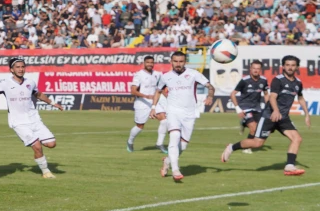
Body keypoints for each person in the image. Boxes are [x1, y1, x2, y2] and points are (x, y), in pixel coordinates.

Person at [220, 55, 311, 176]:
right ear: (283, 66)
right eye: (287, 65)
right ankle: (232, 147)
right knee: (257, 143)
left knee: (297, 138)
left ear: (297, 67)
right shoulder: (278, 80)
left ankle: (289, 166)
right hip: (270, 116)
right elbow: (272, 96)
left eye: (293, 65)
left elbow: (300, 98)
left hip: (283, 117)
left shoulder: (298, 83)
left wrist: (307, 114)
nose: (290, 67)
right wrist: (276, 110)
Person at [0, 57, 63, 179]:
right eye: (17, 67)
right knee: (37, 146)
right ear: (11, 70)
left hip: (34, 119)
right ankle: (46, 172)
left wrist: (52, 103)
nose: (21, 69)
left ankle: (36, 148)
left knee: (51, 144)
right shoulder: (5, 84)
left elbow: (39, 94)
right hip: (18, 122)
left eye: (22, 67)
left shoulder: (30, 83)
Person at [150, 51, 214, 181]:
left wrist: (210, 96)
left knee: (183, 146)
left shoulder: (193, 74)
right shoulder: (165, 76)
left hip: (190, 114)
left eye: (181, 61)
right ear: (171, 62)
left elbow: (210, 86)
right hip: (173, 112)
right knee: (174, 137)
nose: (178, 64)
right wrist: (153, 107)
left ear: (185, 62)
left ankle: (167, 161)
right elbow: (158, 91)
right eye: (175, 61)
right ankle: (175, 170)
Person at [127, 55, 169, 154]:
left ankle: (159, 143)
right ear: (144, 63)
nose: (150, 64)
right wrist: (146, 96)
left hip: (154, 101)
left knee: (164, 119)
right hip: (142, 103)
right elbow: (133, 91)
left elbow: (160, 89)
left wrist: (168, 98)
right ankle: (130, 141)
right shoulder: (139, 75)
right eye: (148, 62)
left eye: (151, 62)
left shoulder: (158, 74)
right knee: (140, 126)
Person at [230, 61, 269, 154]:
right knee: (254, 128)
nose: (256, 70)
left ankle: (243, 124)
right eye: (254, 68)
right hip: (245, 107)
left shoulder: (263, 80)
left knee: (259, 128)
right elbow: (232, 94)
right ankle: (246, 147)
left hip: (257, 108)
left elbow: (266, 94)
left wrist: (268, 107)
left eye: (258, 68)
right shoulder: (244, 81)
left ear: (260, 70)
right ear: (250, 69)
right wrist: (238, 109)